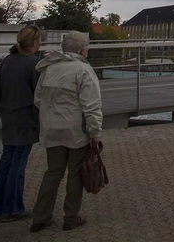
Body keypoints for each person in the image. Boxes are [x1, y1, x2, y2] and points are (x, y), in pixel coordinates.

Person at [29, 32, 102, 233]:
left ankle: (41, 217)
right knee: (76, 172)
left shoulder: (48, 68)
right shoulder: (83, 70)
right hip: (75, 131)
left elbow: (38, 99)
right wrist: (95, 132)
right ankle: (71, 216)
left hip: (51, 130)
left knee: (53, 172)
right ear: (82, 50)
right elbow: (92, 106)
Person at [0, 25, 42, 222]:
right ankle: (12, 208)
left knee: (7, 160)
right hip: (24, 116)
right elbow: (39, 95)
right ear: (35, 43)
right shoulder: (33, 64)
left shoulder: (8, 60)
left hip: (7, 114)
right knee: (18, 163)